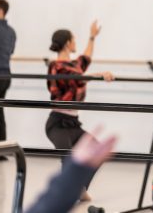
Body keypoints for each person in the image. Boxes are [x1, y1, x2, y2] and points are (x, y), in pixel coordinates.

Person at [46, 21, 114, 201]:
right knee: (68, 160)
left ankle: (78, 189)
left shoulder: (73, 64)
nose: (76, 42)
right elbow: (77, 78)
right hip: (57, 123)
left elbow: (85, 58)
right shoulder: (56, 66)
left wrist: (92, 37)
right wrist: (100, 74)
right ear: (68, 43)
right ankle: (64, 196)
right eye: (74, 39)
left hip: (73, 123)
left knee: (97, 150)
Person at [25, 127, 117, 213]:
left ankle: (80, 188)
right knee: (67, 155)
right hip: (58, 124)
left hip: (74, 123)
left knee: (92, 153)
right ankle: (75, 189)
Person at [0, 0, 17, 153]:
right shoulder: (11, 31)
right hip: (6, 75)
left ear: (0, 10)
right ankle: (1, 150)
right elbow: (11, 51)